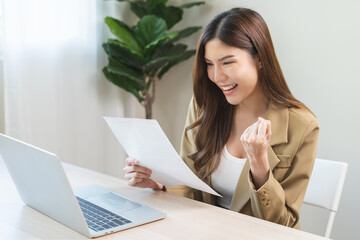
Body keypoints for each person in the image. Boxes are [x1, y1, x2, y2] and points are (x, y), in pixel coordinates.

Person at [123, 7, 319, 229]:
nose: (217, 77)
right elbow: (191, 187)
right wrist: (159, 184)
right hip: (206, 230)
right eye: (209, 64)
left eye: (227, 62)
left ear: (260, 58)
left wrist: (260, 168)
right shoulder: (204, 105)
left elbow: (283, 224)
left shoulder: (302, 125)